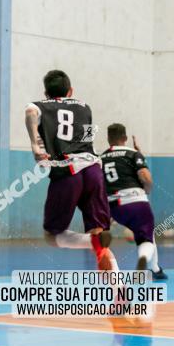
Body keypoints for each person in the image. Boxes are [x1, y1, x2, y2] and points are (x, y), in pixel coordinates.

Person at [25, 70, 116, 271]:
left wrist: (35, 145)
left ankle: (91, 241)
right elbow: (86, 138)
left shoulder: (41, 106)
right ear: (70, 90)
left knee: (52, 235)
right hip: (93, 170)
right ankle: (120, 295)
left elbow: (30, 112)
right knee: (98, 232)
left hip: (68, 173)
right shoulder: (85, 107)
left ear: (46, 93)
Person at [99, 124, 167, 279]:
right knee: (147, 238)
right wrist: (147, 189)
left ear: (108, 139)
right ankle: (145, 259)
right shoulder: (133, 153)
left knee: (142, 232)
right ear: (125, 138)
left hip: (113, 206)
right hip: (136, 200)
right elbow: (145, 176)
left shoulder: (101, 158)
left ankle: (155, 269)